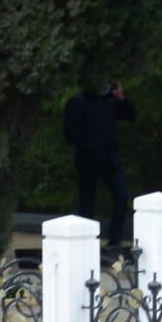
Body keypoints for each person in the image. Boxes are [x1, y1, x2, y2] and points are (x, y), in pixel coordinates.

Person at [63, 77, 137, 247]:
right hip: (88, 159)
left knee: (122, 195)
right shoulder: (76, 102)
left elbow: (131, 115)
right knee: (87, 201)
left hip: (110, 159)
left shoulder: (110, 101)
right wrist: (89, 145)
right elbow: (70, 133)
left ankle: (115, 240)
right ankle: (86, 241)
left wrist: (121, 98)